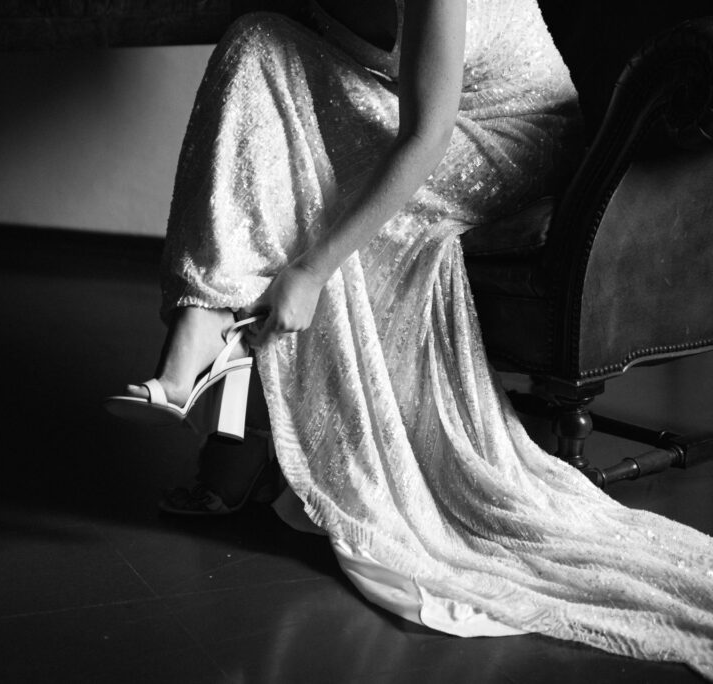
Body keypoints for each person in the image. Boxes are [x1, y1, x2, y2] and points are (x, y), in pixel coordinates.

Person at [105, 0, 713, 676]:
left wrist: (313, 270)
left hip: (510, 141)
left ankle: (231, 420)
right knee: (258, 48)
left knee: (316, 195)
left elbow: (427, 134)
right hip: (431, 117)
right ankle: (201, 334)